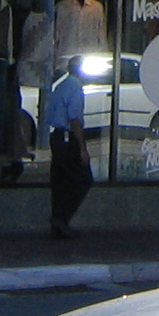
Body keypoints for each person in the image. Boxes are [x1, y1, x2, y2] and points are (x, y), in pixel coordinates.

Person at [43, 59, 92, 239]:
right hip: (67, 138)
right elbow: (75, 119)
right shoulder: (75, 88)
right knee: (82, 179)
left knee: (61, 181)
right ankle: (61, 218)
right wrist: (82, 149)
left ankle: (58, 220)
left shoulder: (61, 85)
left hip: (56, 136)